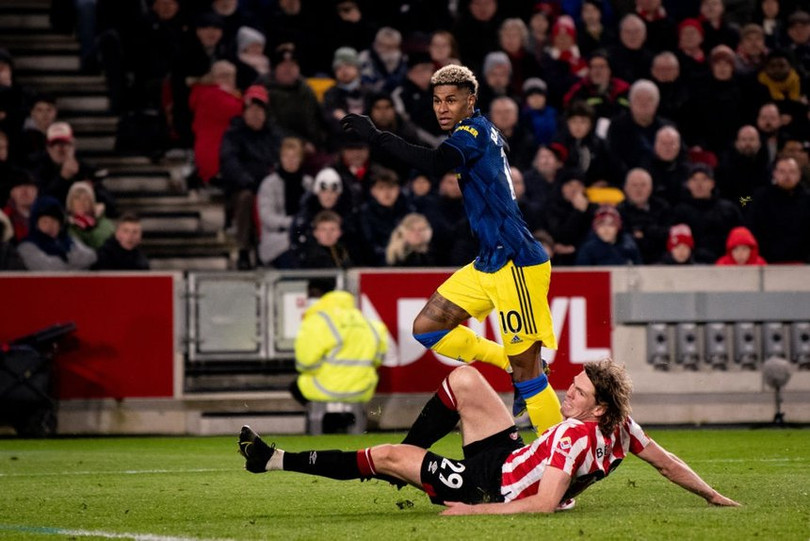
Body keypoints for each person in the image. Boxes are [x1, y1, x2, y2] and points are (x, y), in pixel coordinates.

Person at [341, 64, 561, 433]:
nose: (442, 108)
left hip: (516, 263)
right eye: (437, 101)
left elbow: (436, 162)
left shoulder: (473, 130)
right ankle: (508, 362)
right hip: (489, 262)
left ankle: (563, 463)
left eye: (451, 100)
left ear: (470, 101)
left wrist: (378, 137)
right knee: (428, 327)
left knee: (530, 374)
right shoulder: (480, 132)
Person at [238, 359, 740, 514]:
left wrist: (475, 510)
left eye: (578, 391)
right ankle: (415, 455)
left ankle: (271, 459)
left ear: (599, 408)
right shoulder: (621, 428)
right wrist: (715, 496)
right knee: (464, 378)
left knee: (386, 455)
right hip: (510, 457)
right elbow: (668, 461)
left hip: (485, 484)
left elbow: (544, 507)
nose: (568, 392)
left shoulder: (573, 437)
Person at [218, 84, 282, 270]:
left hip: (269, 187)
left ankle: (272, 250)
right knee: (246, 198)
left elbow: (280, 160)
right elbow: (229, 162)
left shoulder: (274, 135)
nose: (255, 114)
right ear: (244, 112)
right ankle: (244, 250)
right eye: (251, 109)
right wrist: (247, 181)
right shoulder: (233, 134)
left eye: (260, 110)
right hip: (242, 188)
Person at [289, 286, 387, 407]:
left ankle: (326, 421)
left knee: (296, 386)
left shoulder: (317, 321)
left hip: (324, 389)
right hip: (362, 390)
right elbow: (377, 361)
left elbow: (305, 364)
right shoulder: (372, 324)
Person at [745, 155, 810, 263]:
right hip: (767, 262)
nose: (787, 176)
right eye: (782, 172)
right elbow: (752, 227)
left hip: (802, 263)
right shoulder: (760, 197)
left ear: (799, 175)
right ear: (774, 174)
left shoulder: (807, 199)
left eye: (792, 172)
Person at [17, 196, 97, 271]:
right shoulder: (26, 246)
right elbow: (50, 269)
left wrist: (66, 260)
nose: (50, 226)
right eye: (45, 221)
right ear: (36, 224)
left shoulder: (69, 240)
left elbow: (91, 256)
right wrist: (73, 260)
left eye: (54, 221)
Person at [575, 205, 642, 266]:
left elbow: (639, 270)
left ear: (618, 227)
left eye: (611, 225)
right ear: (595, 228)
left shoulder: (629, 246)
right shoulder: (588, 249)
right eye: (601, 225)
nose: (606, 229)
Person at [65, 181, 115, 250]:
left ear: (92, 203)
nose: (81, 203)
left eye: (86, 199)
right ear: (70, 203)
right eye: (77, 198)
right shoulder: (65, 226)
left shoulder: (104, 224)